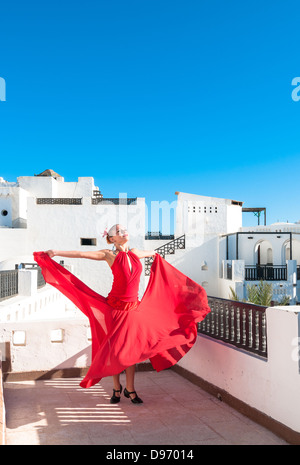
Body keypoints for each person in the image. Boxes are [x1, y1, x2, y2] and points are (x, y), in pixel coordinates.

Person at [34, 224, 210, 405]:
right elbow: (80, 254)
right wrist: (56, 252)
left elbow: (155, 254)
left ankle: (130, 389)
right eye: (117, 231)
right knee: (115, 352)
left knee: (131, 352)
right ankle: (116, 388)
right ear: (112, 239)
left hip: (133, 310)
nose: (122, 231)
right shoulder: (109, 255)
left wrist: (160, 264)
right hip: (115, 310)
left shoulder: (135, 253)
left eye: (123, 229)